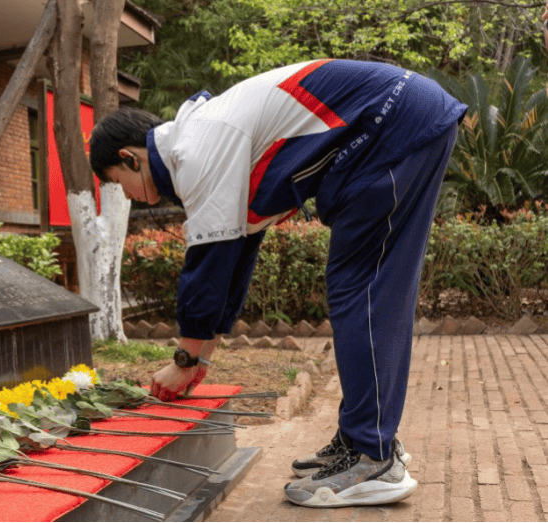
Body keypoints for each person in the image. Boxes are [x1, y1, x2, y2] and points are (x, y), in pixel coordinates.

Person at [89, 59, 467, 508]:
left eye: (118, 183)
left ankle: (373, 457)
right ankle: (359, 441)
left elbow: (208, 266)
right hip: (397, 120)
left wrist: (184, 359)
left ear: (130, 158)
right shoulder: (205, 140)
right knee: (361, 289)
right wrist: (202, 359)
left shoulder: (195, 149)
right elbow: (235, 260)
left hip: (392, 124)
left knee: (364, 290)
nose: (127, 195)